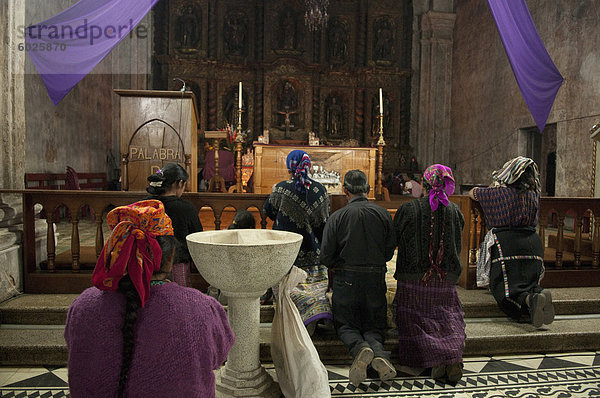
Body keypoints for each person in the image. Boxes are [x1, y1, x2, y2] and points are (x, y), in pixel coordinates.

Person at [64, 200, 234, 398]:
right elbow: (219, 356)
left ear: (118, 254)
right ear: (170, 257)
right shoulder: (203, 308)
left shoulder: (84, 306)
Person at [320, 169, 397, 386]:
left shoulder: (337, 217)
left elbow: (325, 256)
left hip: (346, 279)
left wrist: (340, 266)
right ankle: (379, 353)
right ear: (368, 190)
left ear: (345, 191)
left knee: (345, 325)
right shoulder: (382, 214)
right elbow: (389, 250)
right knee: (374, 325)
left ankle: (359, 348)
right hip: (375, 278)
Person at [393, 164, 466, 384]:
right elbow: (458, 242)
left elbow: (395, 239)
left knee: (413, 320)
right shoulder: (455, 211)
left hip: (413, 279)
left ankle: (434, 361)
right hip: (444, 279)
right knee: (447, 318)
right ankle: (450, 357)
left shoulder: (408, 209)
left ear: (424, 184)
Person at [469, 156, 554, 328]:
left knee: (505, 290)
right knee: (529, 282)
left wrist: (495, 184)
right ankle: (538, 294)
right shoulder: (533, 194)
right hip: (532, 243)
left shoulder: (496, 193)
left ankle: (530, 300)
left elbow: (473, 192)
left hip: (506, 244)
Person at [263, 150, 333, 333]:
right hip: (313, 253)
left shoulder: (280, 188)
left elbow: (268, 212)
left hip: (286, 256)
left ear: (289, 167)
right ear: (308, 166)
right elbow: (324, 223)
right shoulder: (320, 190)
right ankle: (315, 313)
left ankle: (296, 313)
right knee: (316, 284)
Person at [146, 163, 203, 287]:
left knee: (150, 298)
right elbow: (197, 238)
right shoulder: (186, 208)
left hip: (147, 262)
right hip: (177, 264)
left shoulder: (145, 205)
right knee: (179, 298)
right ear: (180, 183)